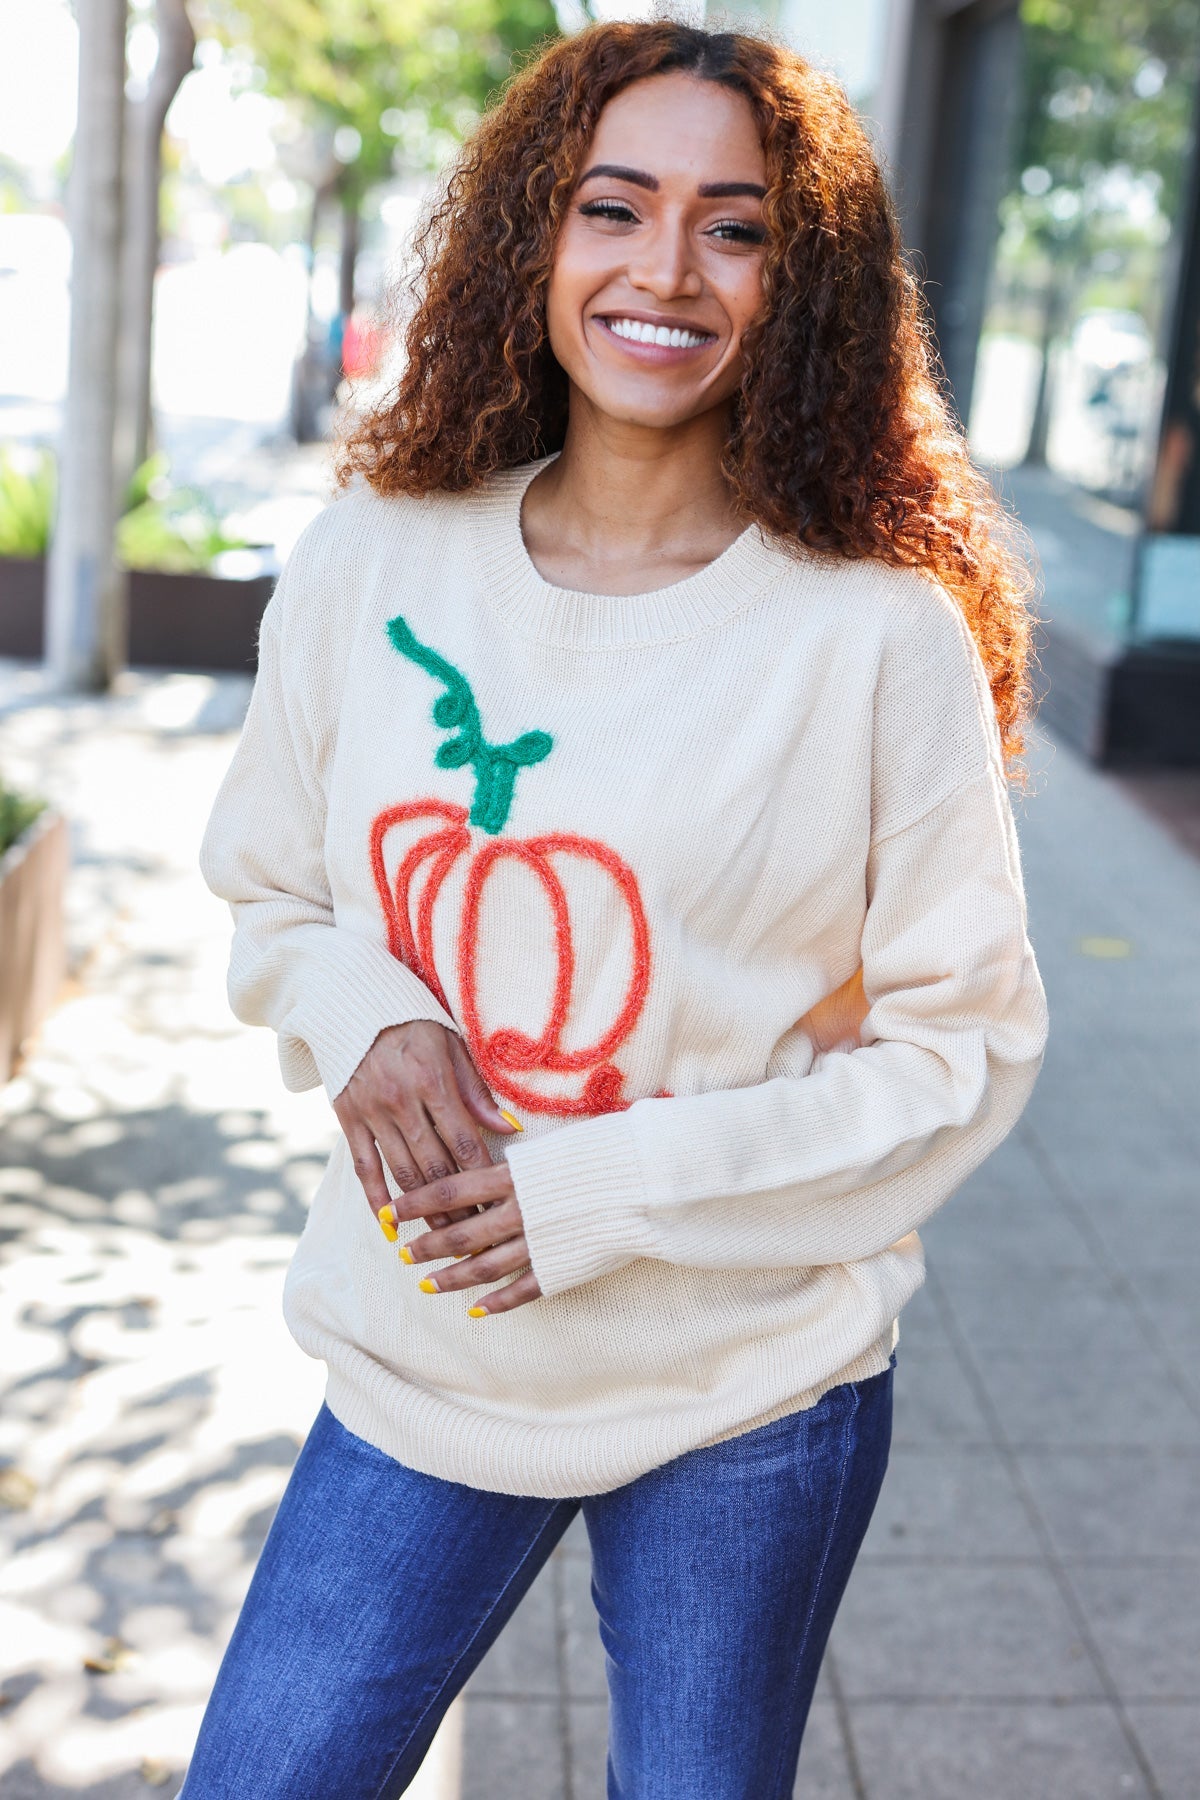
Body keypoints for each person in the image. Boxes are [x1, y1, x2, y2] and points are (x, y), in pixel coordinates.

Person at [186, 20, 1048, 1799]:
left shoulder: (875, 636)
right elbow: (269, 888)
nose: (666, 269)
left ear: (796, 283)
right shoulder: (378, 554)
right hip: (428, 1347)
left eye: (733, 227)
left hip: (749, 1384)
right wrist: (368, 1011)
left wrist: (602, 1187)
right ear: (535, 239)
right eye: (615, 207)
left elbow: (962, 1054)